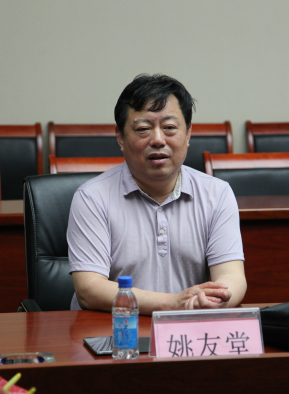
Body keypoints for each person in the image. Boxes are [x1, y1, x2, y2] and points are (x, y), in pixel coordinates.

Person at [67, 74, 247, 313]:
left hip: (189, 329)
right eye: (143, 129)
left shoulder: (217, 194)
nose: (158, 140)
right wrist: (173, 304)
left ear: (188, 134)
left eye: (170, 128)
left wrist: (214, 300)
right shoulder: (92, 197)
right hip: (116, 330)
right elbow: (89, 289)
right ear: (120, 137)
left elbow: (232, 276)